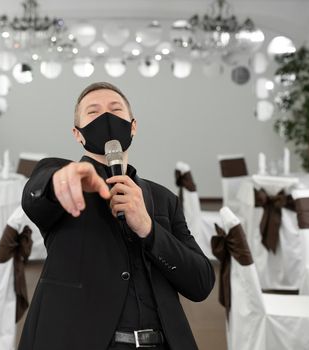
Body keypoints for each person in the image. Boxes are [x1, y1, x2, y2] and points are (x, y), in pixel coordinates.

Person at [18, 82, 215, 350]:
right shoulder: (66, 185)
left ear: (133, 126)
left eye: (115, 109)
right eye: (93, 112)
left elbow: (201, 283)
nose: (106, 118)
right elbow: (36, 192)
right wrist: (57, 180)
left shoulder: (164, 199)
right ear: (77, 134)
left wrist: (148, 229)